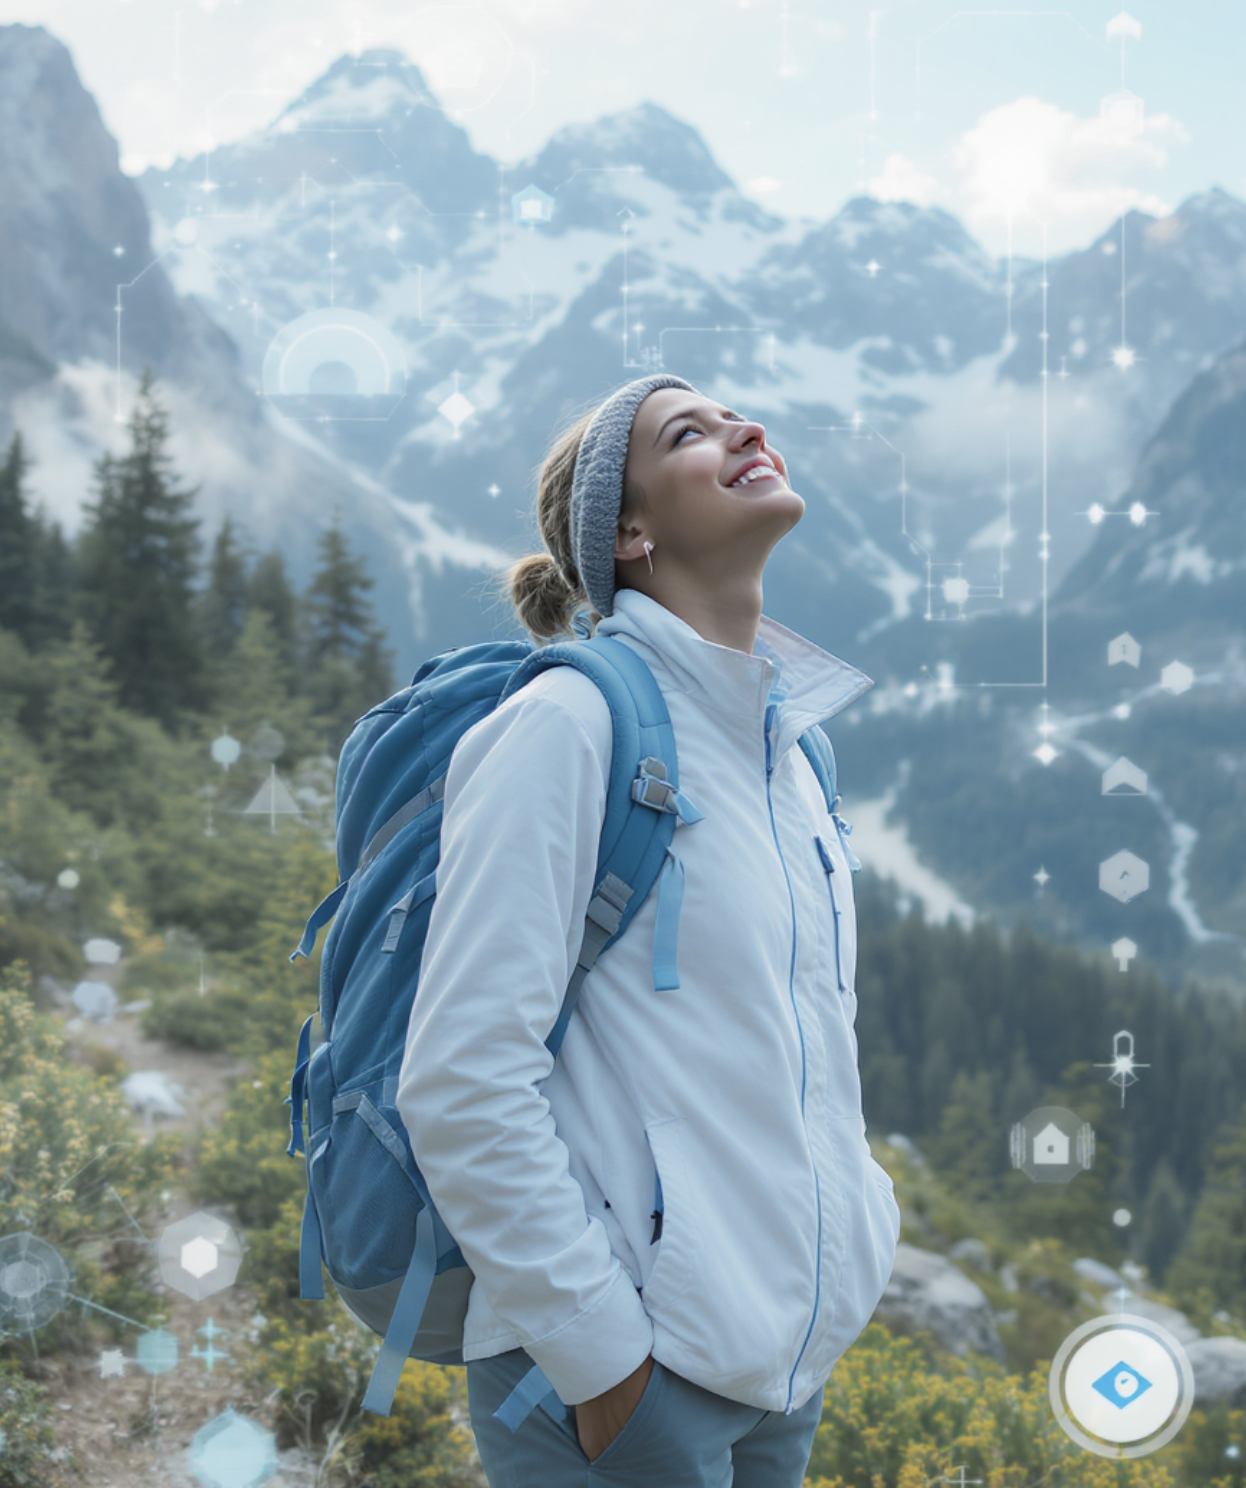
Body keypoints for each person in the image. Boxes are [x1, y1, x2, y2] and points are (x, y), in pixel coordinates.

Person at [396, 374, 900, 1486]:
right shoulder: (566, 727)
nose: (744, 428)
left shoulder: (791, 755)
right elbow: (462, 1076)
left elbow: (812, 1040)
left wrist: (859, 1230)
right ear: (626, 532)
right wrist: (605, 1364)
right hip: (622, 1373)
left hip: (777, 1361)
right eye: (690, 431)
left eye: (737, 414)